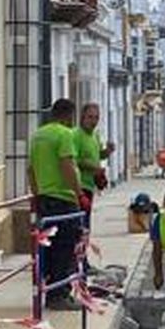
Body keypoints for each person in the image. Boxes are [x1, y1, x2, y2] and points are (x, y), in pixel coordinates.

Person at [27, 98, 83, 309]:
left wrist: (37, 195)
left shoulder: (37, 136)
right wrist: (79, 194)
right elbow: (67, 165)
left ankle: (49, 290)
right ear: (69, 115)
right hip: (63, 199)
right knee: (65, 248)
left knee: (48, 249)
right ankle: (59, 295)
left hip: (44, 199)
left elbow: (30, 170)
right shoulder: (65, 134)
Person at [73, 102, 110, 205]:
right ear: (82, 117)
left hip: (91, 185)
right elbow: (73, 160)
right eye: (90, 117)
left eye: (96, 118)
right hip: (79, 186)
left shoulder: (95, 135)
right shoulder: (75, 135)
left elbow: (99, 156)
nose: (93, 121)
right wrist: (94, 167)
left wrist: (107, 151)